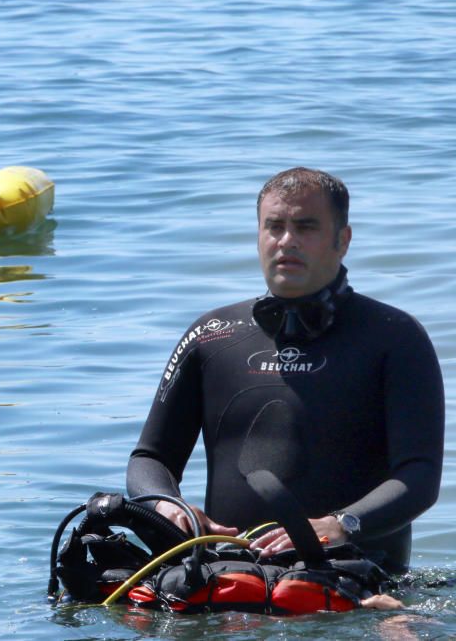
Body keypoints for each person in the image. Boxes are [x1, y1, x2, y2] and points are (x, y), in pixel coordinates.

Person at [126, 167, 445, 575]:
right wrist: (167, 506)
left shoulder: (395, 337)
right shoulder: (211, 335)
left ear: (342, 240)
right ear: (258, 234)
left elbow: (420, 476)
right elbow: (149, 459)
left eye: (306, 226)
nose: (286, 241)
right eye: (274, 226)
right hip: (227, 578)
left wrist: (340, 525)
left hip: (357, 579)